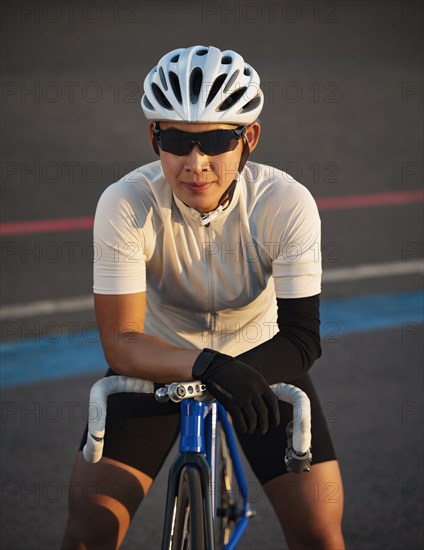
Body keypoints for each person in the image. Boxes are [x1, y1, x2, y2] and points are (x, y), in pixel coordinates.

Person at [61, 45, 345, 549]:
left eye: (216, 141)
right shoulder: (125, 203)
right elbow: (122, 340)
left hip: (260, 361)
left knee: (319, 532)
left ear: (248, 138)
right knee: (89, 531)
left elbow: (302, 339)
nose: (196, 164)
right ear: (154, 137)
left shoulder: (286, 202)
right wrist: (208, 366)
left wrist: (236, 370)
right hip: (160, 357)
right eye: (177, 140)